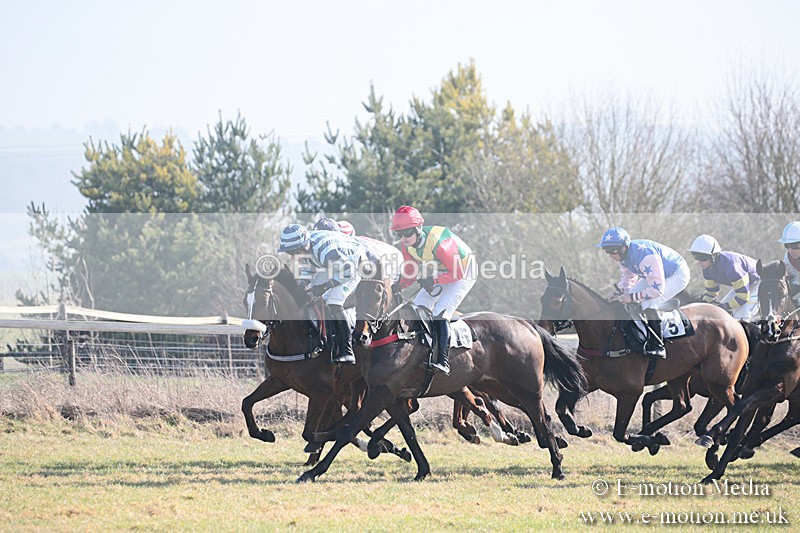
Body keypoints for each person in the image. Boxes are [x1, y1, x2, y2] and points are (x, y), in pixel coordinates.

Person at [391, 206, 476, 375]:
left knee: (440, 313)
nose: (404, 238)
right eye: (399, 234)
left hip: (463, 271)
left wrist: (433, 280)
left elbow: (457, 273)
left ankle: (443, 360)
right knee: (417, 309)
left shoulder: (439, 242)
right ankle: (423, 351)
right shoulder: (407, 245)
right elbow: (410, 272)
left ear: (418, 228)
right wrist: (396, 286)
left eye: (407, 232)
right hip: (441, 271)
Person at [277, 223, 364, 365]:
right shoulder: (306, 248)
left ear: (302, 247)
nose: (292, 257)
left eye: (292, 253)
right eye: (289, 253)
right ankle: (328, 338)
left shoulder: (326, 252)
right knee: (316, 294)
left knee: (333, 301)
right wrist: (301, 285)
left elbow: (348, 273)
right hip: (335, 264)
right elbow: (308, 269)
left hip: (353, 265)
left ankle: (347, 350)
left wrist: (325, 286)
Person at [598, 226, 690, 358]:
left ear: (623, 248)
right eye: (606, 251)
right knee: (629, 299)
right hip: (658, 275)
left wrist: (631, 297)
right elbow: (629, 279)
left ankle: (658, 345)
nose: (610, 256)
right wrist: (618, 291)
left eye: (611, 251)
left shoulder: (645, 256)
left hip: (677, 274)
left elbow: (657, 290)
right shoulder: (623, 257)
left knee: (649, 303)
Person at [686, 234, 760, 320]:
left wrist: (724, 306)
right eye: (696, 258)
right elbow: (711, 293)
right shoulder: (707, 268)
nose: (699, 262)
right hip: (746, 285)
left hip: (761, 282)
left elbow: (743, 297)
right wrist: (701, 306)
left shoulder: (732, 267)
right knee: (721, 315)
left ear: (714, 255)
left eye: (703, 258)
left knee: (741, 315)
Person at [778, 221, 800, 308]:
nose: (790, 250)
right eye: (787, 246)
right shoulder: (788, 258)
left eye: (794, 246)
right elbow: (795, 282)